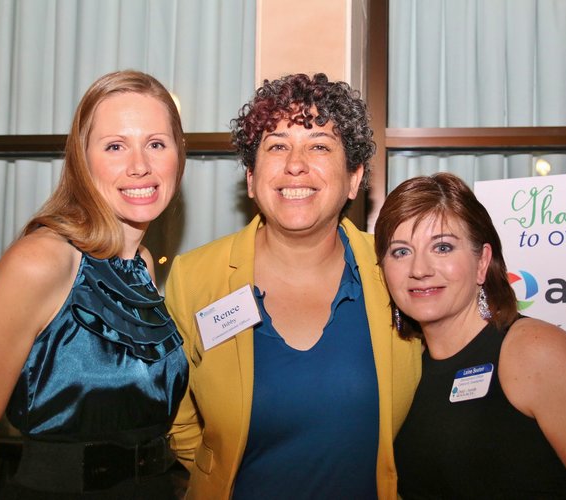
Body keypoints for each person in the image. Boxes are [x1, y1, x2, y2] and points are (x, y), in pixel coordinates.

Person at [164, 73, 421, 499]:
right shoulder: (195, 278)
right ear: (251, 177)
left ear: (355, 178)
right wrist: (217, 468)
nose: (295, 163)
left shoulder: (394, 268)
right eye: (277, 145)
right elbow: (177, 416)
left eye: (319, 145)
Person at [0, 70, 189, 498]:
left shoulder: (142, 264)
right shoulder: (42, 260)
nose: (140, 166)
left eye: (156, 144)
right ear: (82, 160)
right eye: (115, 146)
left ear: (179, 155)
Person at [374, 173, 566, 499]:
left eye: (442, 247)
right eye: (401, 252)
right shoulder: (406, 366)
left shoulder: (533, 351)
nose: (420, 269)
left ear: (482, 262)